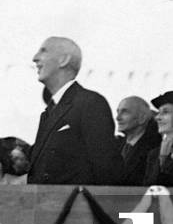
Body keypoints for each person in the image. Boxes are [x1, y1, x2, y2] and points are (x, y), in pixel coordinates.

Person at [28, 37, 123, 185]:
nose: (35, 58)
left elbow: (106, 169)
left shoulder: (90, 104)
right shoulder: (48, 112)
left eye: (43, 51)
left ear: (63, 60)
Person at [114, 96, 161, 186]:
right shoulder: (115, 145)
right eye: (118, 112)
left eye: (125, 112)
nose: (118, 118)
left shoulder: (155, 148)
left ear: (142, 118)